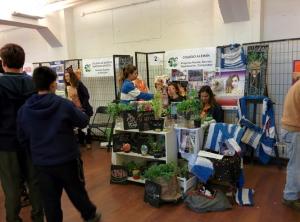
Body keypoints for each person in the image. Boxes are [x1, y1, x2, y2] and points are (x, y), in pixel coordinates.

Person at [17, 66, 101, 222]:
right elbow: (83, 121)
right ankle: (91, 216)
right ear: (53, 84)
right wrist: (76, 104)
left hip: (42, 163)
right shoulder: (62, 104)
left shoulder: (24, 110)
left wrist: (35, 154)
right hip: (67, 159)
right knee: (77, 192)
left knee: (50, 201)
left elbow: (22, 138)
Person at [0, 43, 44, 222]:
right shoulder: (34, 83)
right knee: (35, 183)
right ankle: (38, 218)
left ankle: (13, 219)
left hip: (6, 144)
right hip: (32, 142)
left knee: (11, 187)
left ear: (2, 62)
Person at [281, 79, 300, 211]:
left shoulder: (297, 85)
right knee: (296, 166)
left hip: (291, 129)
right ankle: (290, 197)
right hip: (295, 131)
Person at [64, 69, 93, 147]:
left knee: (86, 126)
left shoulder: (79, 84)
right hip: (75, 109)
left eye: (67, 76)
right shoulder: (67, 87)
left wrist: (83, 107)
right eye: (65, 76)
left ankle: (88, 142)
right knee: (79, 125)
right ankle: (81, 142)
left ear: (71, 76)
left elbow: (86, 96)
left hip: (84, 109)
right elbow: (69, 98)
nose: (66, 77)